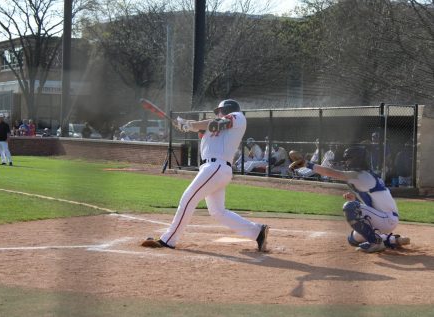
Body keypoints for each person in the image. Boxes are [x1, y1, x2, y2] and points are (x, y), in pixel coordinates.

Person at [141, 99, 269, 251]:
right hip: (214, 169)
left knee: (188, 198)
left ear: (228, 109)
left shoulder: (238, 117)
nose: (218, 114)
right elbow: (203, 130)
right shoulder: (217, 129)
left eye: (219, 111)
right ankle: (257, 232)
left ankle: (168, 239)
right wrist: (184, 124)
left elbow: (214, 123)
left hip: (216, 167)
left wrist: (190, 125)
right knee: (217, 212)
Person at [289, 146, 410, 253]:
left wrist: (308, 164)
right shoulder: (364, 175)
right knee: (353, 239)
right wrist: (356, 199)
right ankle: (393, 240)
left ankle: (376, 243)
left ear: (357, 159)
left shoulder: (361, 175)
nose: (346, 162)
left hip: (387, 218)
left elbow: (333, 173)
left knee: (350, 207)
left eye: (349, 159)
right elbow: (374, 202)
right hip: (382, 218)